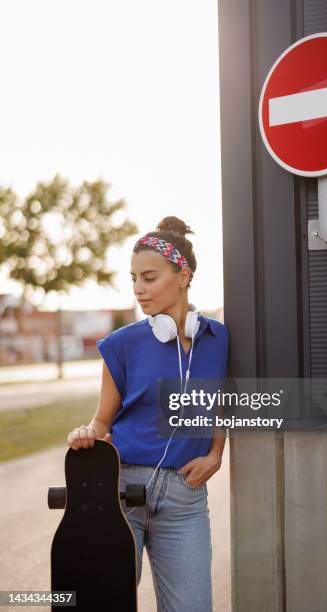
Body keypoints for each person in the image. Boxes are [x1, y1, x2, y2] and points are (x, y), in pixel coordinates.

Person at [66, 216, 229, 612]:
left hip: (185, 501)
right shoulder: (120, 345)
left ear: (183, 275)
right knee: (104, 603)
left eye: (150, 277)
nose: (138, 288)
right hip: (121, 493)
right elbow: (102, 420)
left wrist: (215, 455)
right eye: (133, 278)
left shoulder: (217, 338)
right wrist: (88, 432)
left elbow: (222, 402)